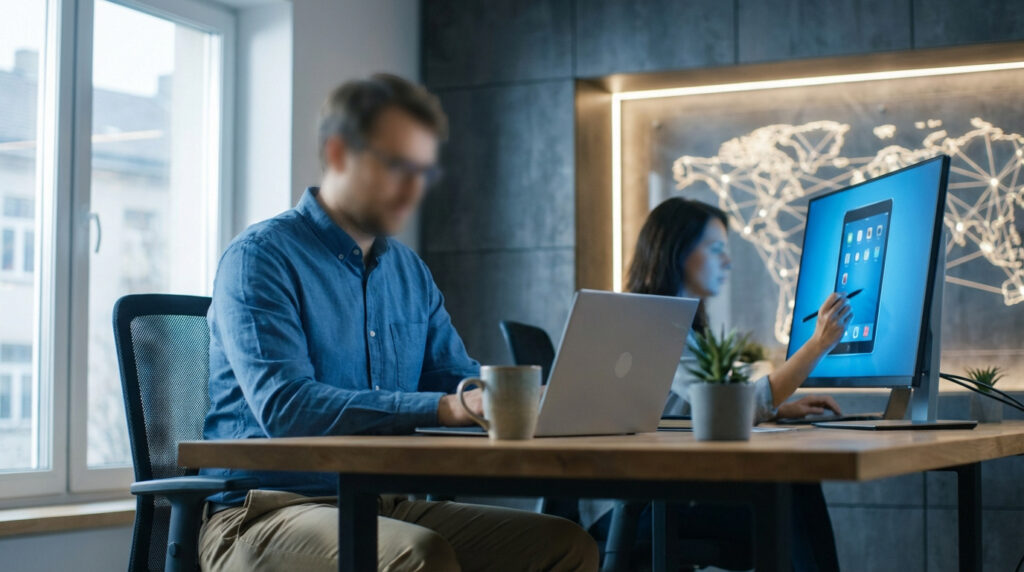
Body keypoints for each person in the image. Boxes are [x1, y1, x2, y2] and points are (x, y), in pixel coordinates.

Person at [198, 74, 598, 572]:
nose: (414, 188)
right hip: (264, 513)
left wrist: (521, 400)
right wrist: (450, 407)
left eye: (423, 171)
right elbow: (286, 406)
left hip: (378, 503)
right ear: (339, 154)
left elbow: (452, 376)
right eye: (397, 166)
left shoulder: (408, 271)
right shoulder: (260, 258)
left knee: (565, 544)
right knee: (419, 556)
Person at [584, 197, 851, 571]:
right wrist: (819, 344)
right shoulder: (653, 325)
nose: (727, 261)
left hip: (667, 499)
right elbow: (731, 405)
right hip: (654, 507)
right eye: (715, 249)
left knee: (792, 488)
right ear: (676, 252)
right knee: (790, 492)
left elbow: (709, 406)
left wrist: (777, 408)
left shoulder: (679, 325)